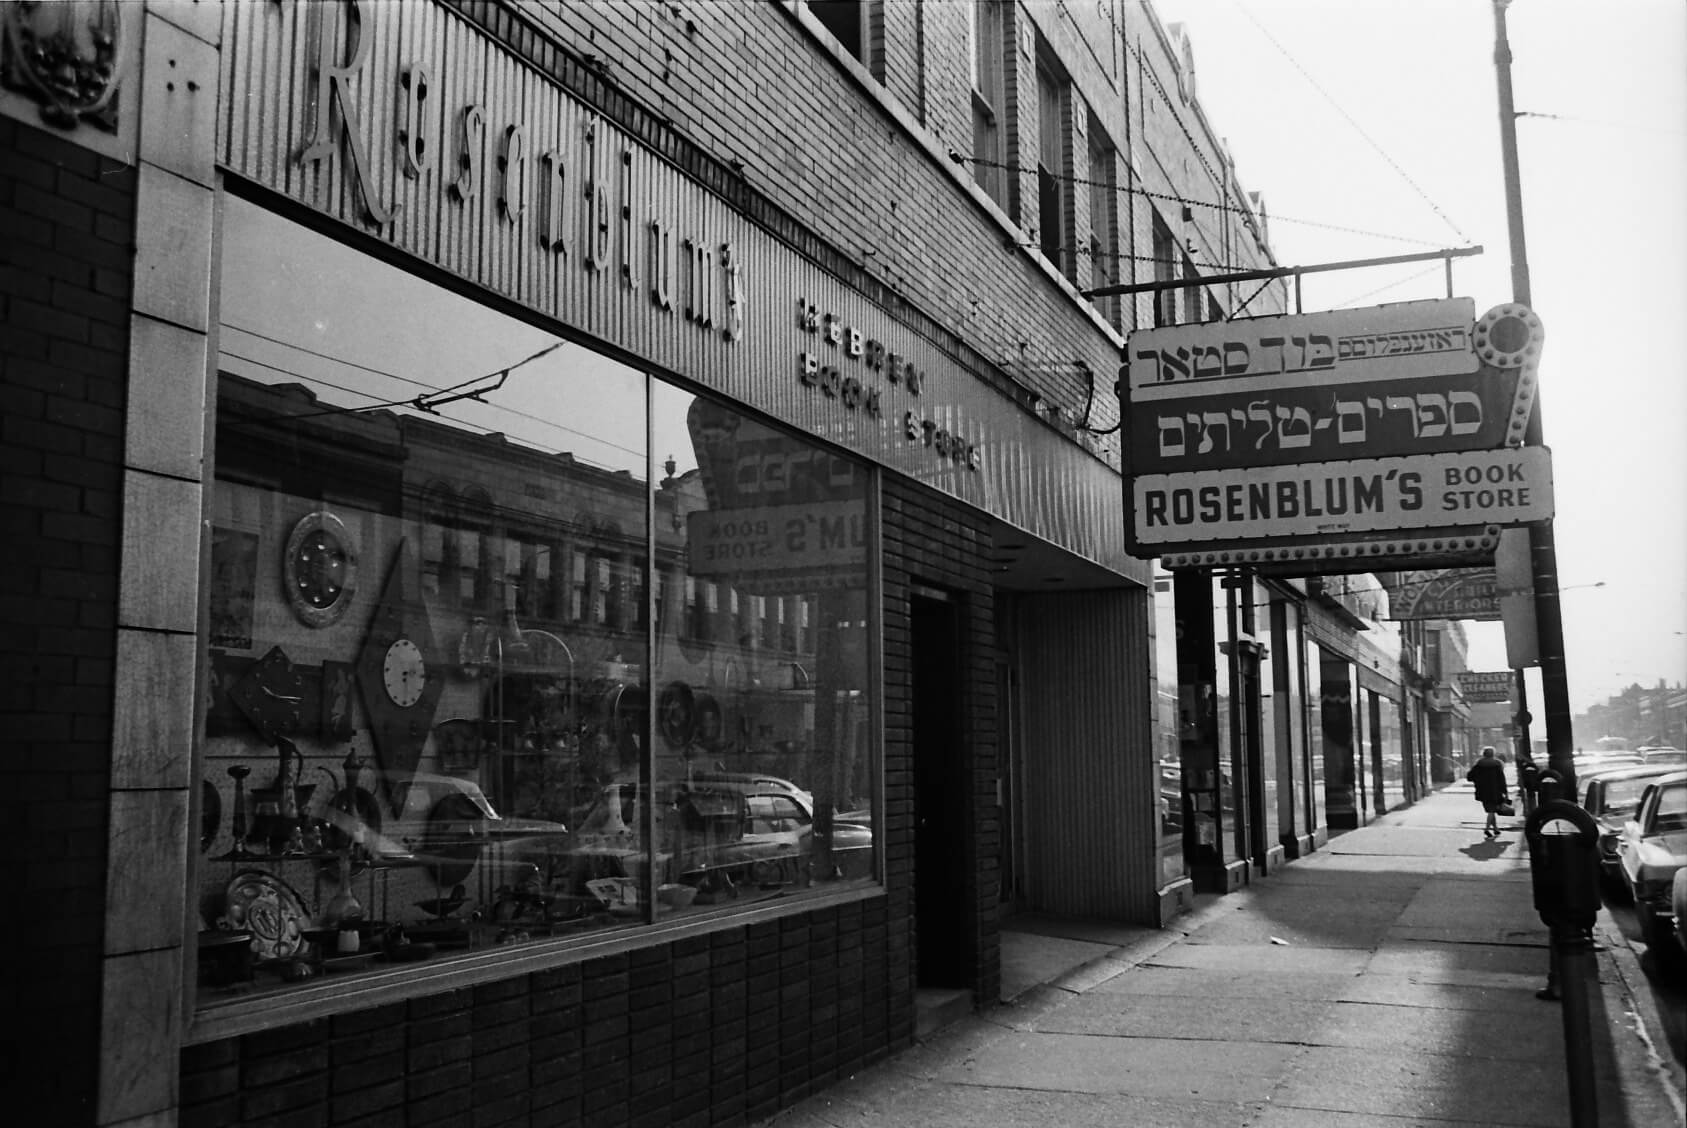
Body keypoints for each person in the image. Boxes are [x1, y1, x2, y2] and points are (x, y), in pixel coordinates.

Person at [1466, 745, 1510, 838]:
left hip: (1483, 791)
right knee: (1492, 810)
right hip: (1495, 791)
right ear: (1493, 754)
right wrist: (1505, 792)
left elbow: (1469, 777)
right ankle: (1486, 829)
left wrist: (1477, 779)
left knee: (1491, 810)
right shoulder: (1497, 764)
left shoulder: (1479, 764)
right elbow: (1502, 779)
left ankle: (1495, 829)